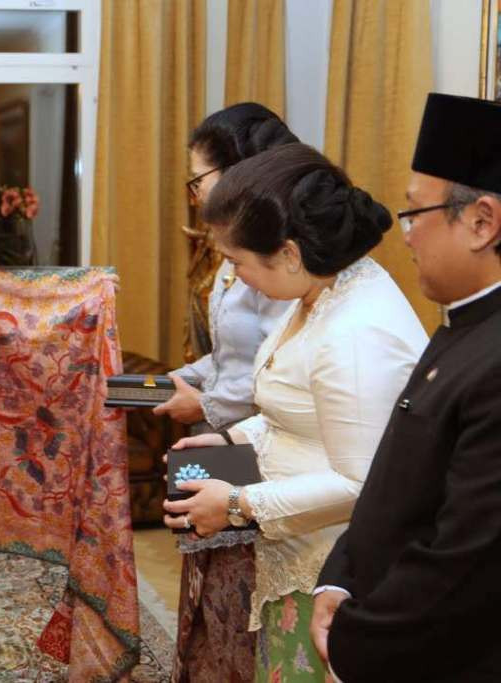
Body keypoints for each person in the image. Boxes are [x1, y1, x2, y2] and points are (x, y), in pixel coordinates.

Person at [162, 143, 428, 681]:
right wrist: (235, 441)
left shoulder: (356, 333)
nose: (233, 276)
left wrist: (237, 503)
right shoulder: (320, 294)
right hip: (299, 548)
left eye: (236, 262)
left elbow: (363, 481)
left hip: (333, 569)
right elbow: (298, 406)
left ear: (287, 253)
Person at [311, 94, 501, 682]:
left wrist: (358, 643)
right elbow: (398, 483)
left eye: (415, 214)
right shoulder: (462, 324)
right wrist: (339, 577)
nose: (407, 235)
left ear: (481, 223)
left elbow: (466, 561)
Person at [153, 102, 296, 682]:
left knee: (242, 603)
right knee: (208, 590)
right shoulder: (232, 250)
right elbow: (231, 351)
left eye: (199, 179)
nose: (194, 194)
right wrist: (186, 377)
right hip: (218, 439)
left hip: (260, 453)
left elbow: (274, 369)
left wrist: (204, 405)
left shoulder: (281, 256)